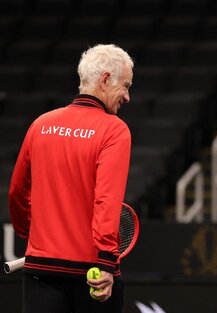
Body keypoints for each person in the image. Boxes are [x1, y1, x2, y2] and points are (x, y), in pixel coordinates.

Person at [8, 44, 134, 313]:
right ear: (105, 79)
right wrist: (106, 263)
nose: (127, 96)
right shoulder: (114, 130)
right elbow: (107, 201)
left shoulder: (41, 124)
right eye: (125, 86)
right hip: (91, 274)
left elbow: (17, 193)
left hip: (40, 270)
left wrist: (32, 234)